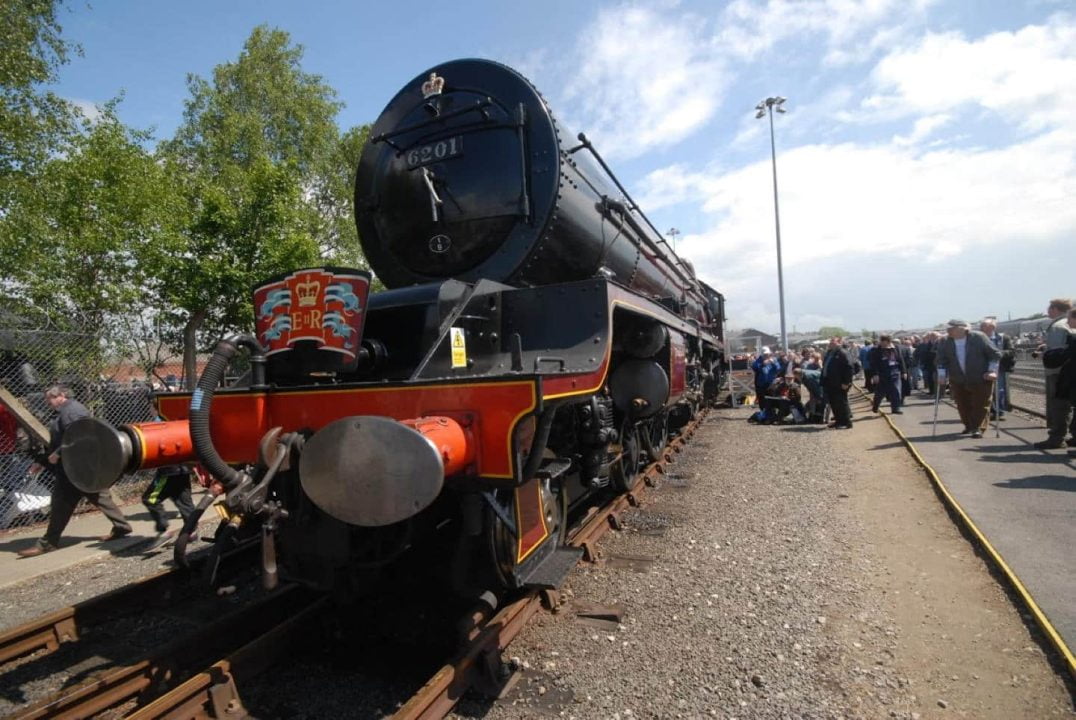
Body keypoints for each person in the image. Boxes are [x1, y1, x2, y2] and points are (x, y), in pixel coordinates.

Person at [17, 385, 132, 558]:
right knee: (98, 495)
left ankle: (48, 542)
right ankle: (121, 526)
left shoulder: (71, 412)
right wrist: (42, 462)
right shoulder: (67, 411)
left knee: (61, 502)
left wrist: (58, 453)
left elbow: (79, 437)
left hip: (75, 467)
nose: (48, 403)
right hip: (78, 467)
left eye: (50, 399)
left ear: (61, 396)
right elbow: (67, 438)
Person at [935, 320, 1000, 439]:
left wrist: (992, 371)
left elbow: (994, 354)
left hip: (980, 376)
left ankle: (978, 428)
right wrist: (942, 375)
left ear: (962, 328)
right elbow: (941, 360)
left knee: (981, 403)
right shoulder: (945, 341)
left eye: (951, 328)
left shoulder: (979, 337)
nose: (948, 330)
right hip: (957, 378)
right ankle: (969, 425)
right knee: (962, 404)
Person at [1035, 298, 1075, 449]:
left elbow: (1058, 353)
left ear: (1056, 309)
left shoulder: (1058, 326)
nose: (1048, 311)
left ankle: (1057, 437)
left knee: (1058, 405)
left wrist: (1045, 354)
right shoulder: (1068, 324)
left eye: (1050, 308)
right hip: (1071, 371)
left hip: (1059, 372)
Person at [142, 463, 196, 547]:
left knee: (150, 499)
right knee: (183, 501)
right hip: (184, 469)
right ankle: (191, 532)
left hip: (168, 471)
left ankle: (164, 532)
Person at [979, 317, 1014, 420]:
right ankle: (987, 411)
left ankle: (999, 411)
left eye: (983, 326)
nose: (981, 328)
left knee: (999, 390)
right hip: (983, 367)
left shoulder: (1003, 338)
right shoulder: (979, 338)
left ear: (992, 327)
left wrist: (998, 354)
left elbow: (1011, 351)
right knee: (984, 390)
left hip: (999, 368)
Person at [868, 335, 907, 414]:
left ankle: (895, 408)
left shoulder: (896, 348)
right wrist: (875, 374)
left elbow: (901, 360)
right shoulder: (876, 350)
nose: (882, 344)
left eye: (884, 342)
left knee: (896, 391)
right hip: (882, 374)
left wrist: (904, 372)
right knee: (880, 393)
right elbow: (873, 363)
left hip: (895, 373)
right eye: (881, 342)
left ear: (888, 341)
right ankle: (875, 406)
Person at [822, 337, 854, 429]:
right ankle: (839, 421)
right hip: (830, 382)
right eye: (830, 341)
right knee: (834, 403)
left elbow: (849, 368)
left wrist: (846, 382)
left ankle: (846, 422)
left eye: (833, 342)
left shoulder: (843, 353)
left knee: (841, 402)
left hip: (840, 383)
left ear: (839, 343)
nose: (830, 343)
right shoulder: (830, 352)